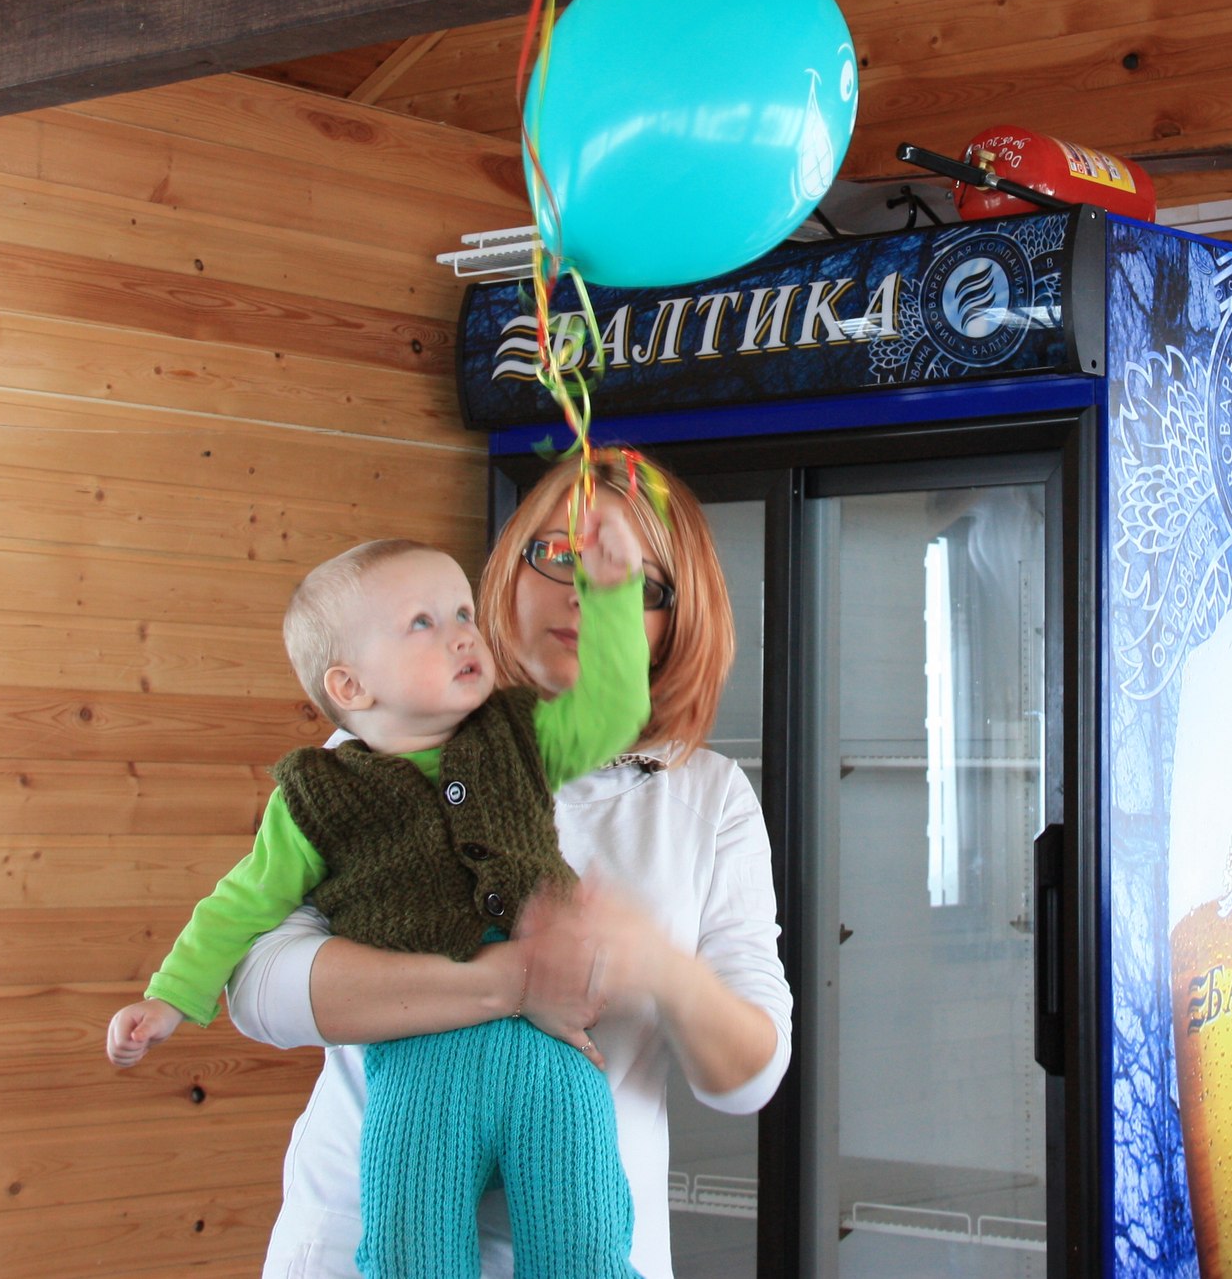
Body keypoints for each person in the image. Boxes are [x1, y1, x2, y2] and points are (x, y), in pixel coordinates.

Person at [225, 451, 789, 1279]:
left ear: (676, 622)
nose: (582, 592)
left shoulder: (708, 796)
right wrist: (505, 983)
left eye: (629, 579)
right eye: (559, 554)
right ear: (507, 570)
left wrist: (656, 963)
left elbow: (748, 1077)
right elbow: (257, 987)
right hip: (359, 1245)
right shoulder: (380, 747)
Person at [106, 511, 655, 1279]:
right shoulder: (319, 794)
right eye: (424, 623)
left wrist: (616, 594)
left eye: (462, 613)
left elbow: (614, 708)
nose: (462, 635)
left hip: (554, 1061)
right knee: (410, 1258)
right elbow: (240, 904)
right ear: (349, 684)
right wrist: (170, 997)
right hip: (419, 1073)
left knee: (584, 1256)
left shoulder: (519, 733)